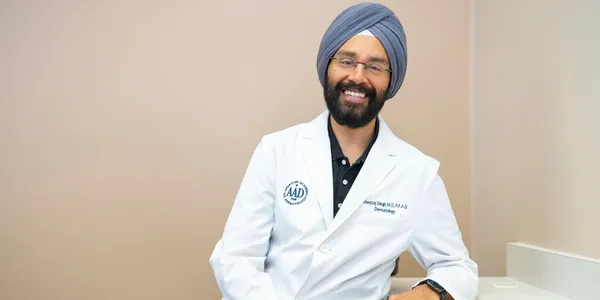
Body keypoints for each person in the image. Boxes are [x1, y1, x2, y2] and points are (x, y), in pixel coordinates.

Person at [209, 2, 478, 300]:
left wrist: (425, 296)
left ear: (391, 80)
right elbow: (235, 259)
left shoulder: (417, 173)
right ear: (327, 68)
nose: (358, 77)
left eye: (374, 67)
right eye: (347, 61)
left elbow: (458, 268)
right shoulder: (276, 151)